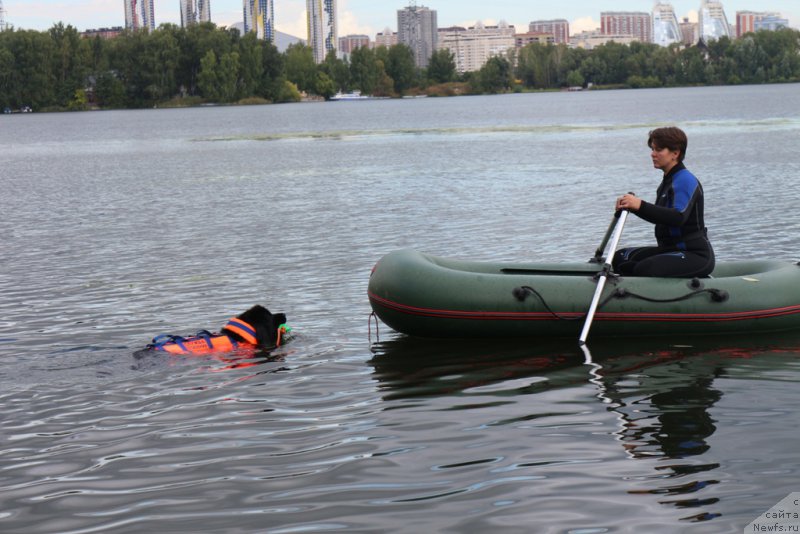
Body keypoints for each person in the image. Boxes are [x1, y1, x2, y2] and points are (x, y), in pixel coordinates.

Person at [612, 127, 715, 278]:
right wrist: (632, 207)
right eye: (652, 149)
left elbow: (678, 217)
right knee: (621, 256)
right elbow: (660, 217)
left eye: (659, 150)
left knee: (645, 268)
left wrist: (640, 205)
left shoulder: (685, 180)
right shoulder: (667, 182)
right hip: (669, 250)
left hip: (694, 254)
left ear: (675, 153)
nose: (652, 154)